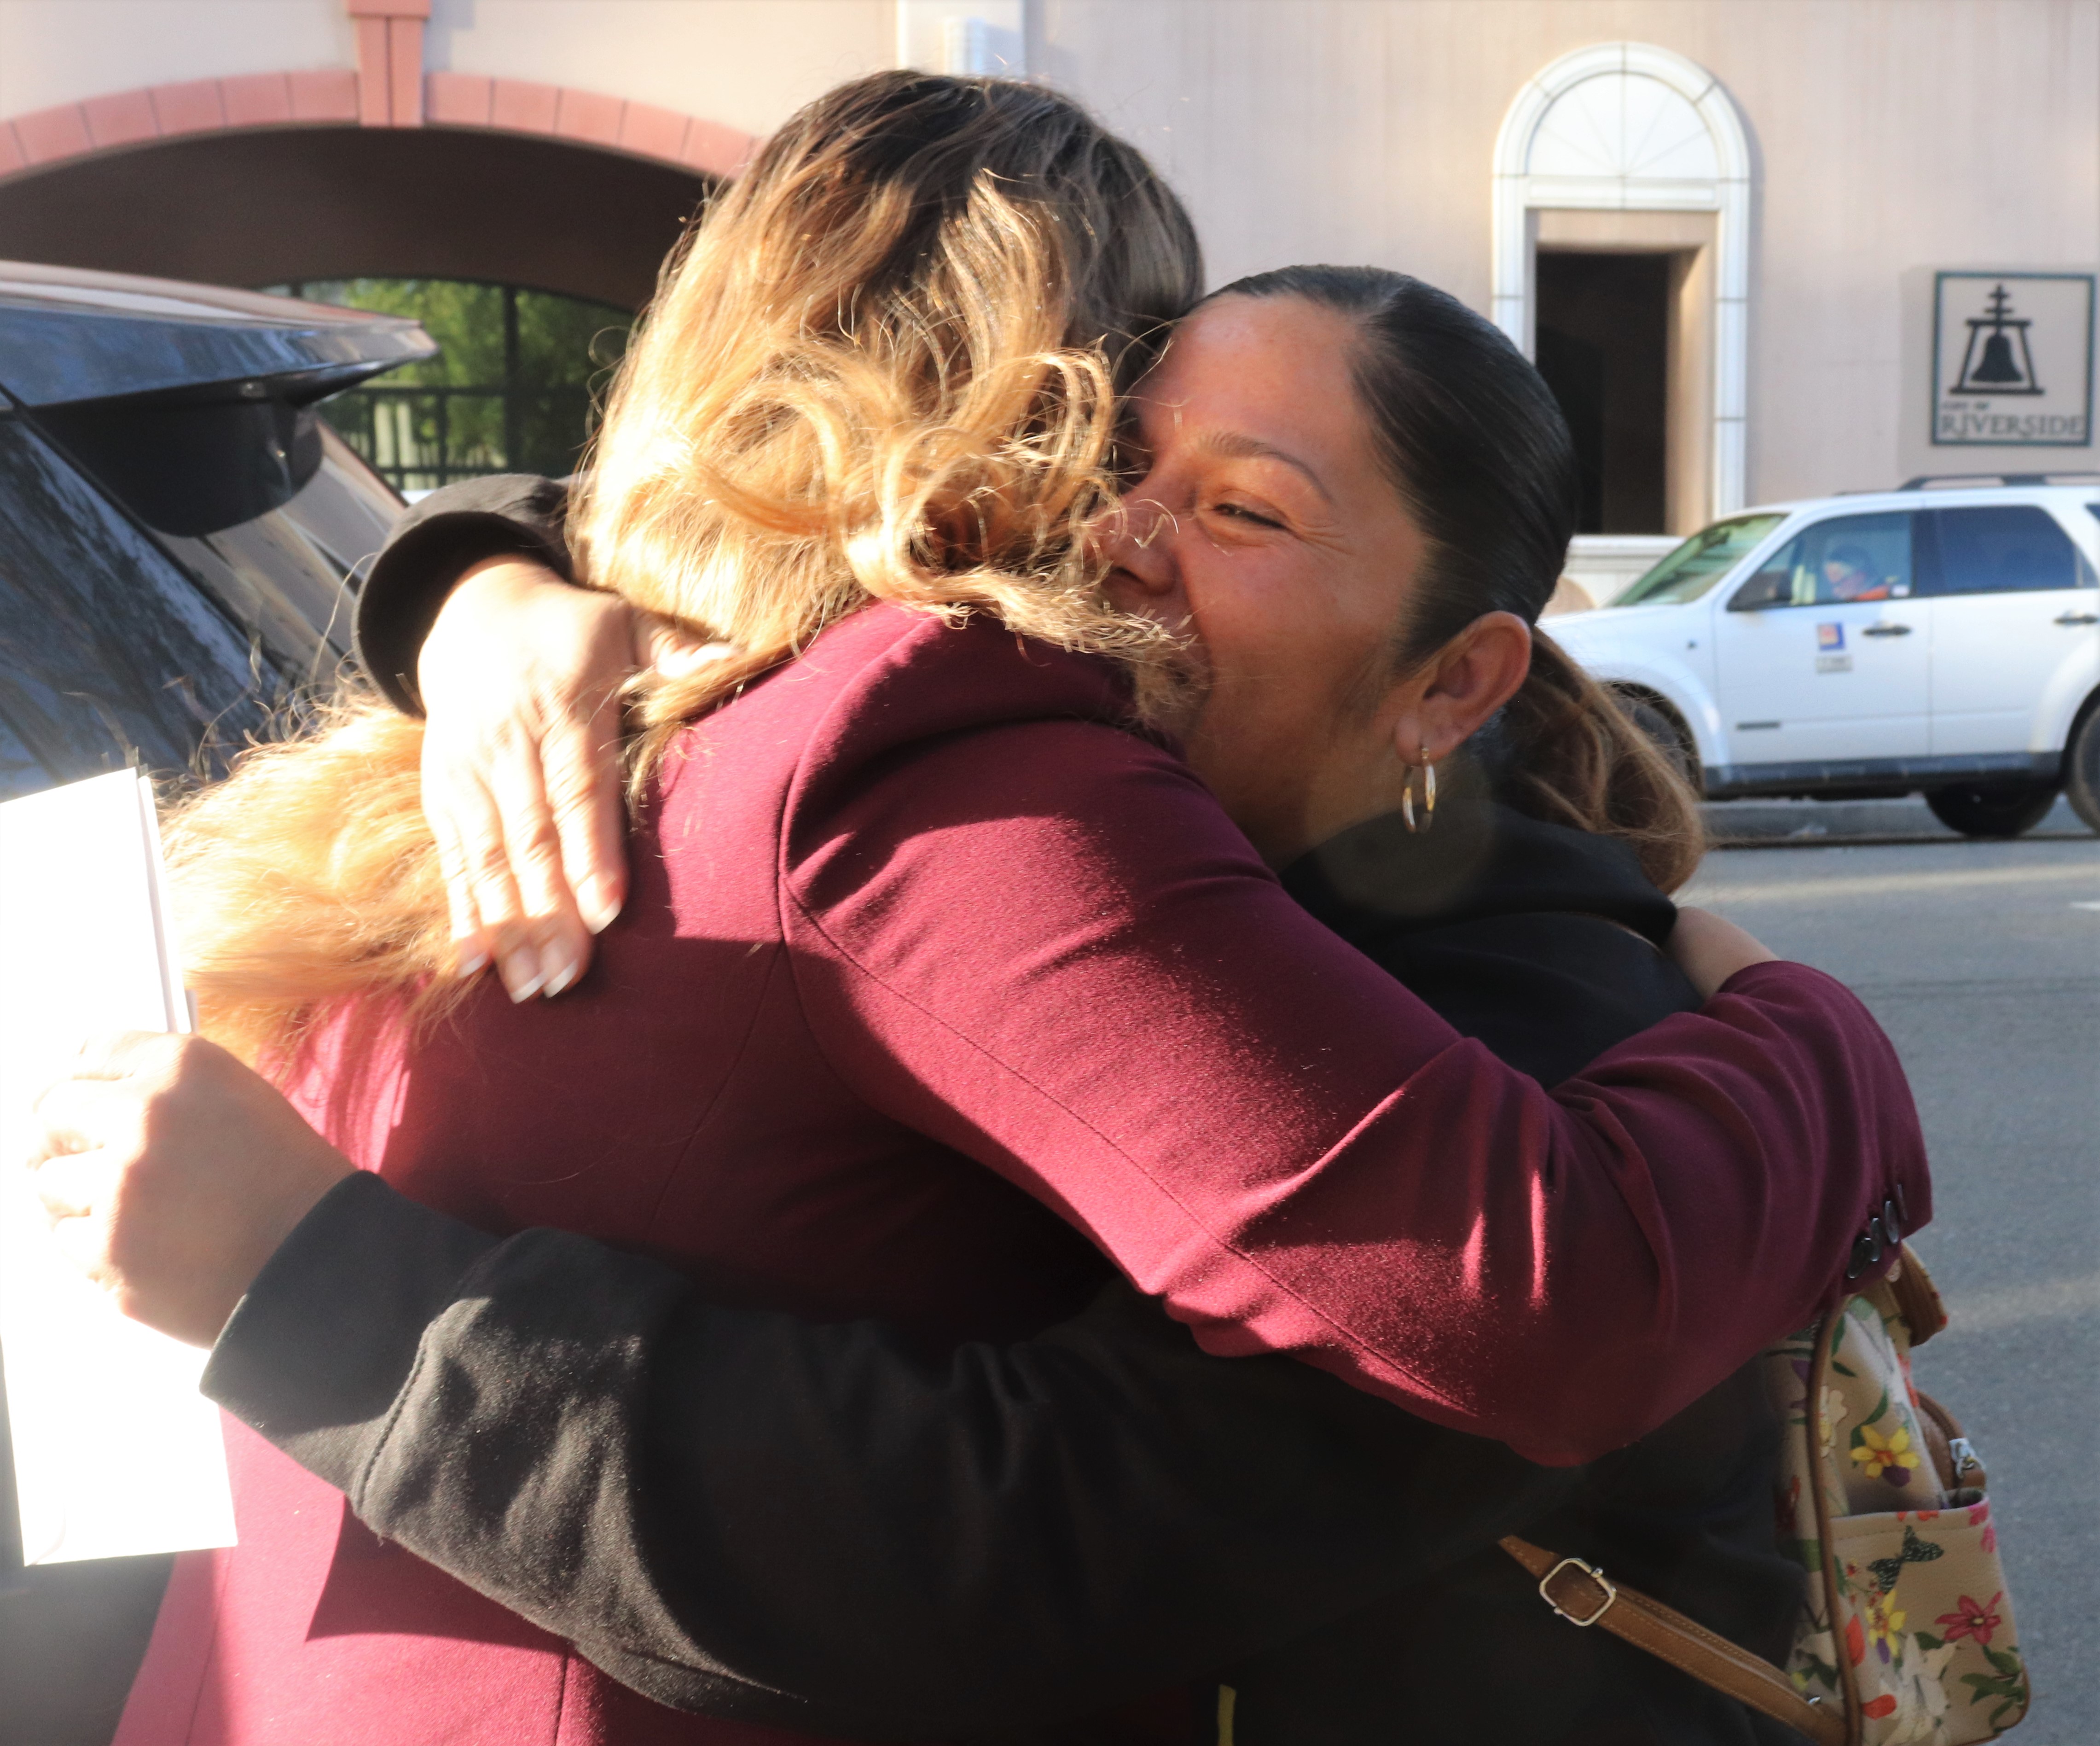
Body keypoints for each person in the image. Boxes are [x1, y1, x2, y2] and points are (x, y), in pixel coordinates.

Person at [32, 74, 1922, 1746]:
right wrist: (1816, 1034)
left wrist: (466, 593)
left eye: (1236, 505)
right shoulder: (895, 741)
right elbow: (1518, 1299)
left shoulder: (538, 736)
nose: (1124, 536)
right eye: (1125, 453)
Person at [1822, 542, 1891, 601]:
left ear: (1859, 576)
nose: (1835, 592)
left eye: (1839, 584)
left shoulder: (1878, 597)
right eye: (1831, 586)